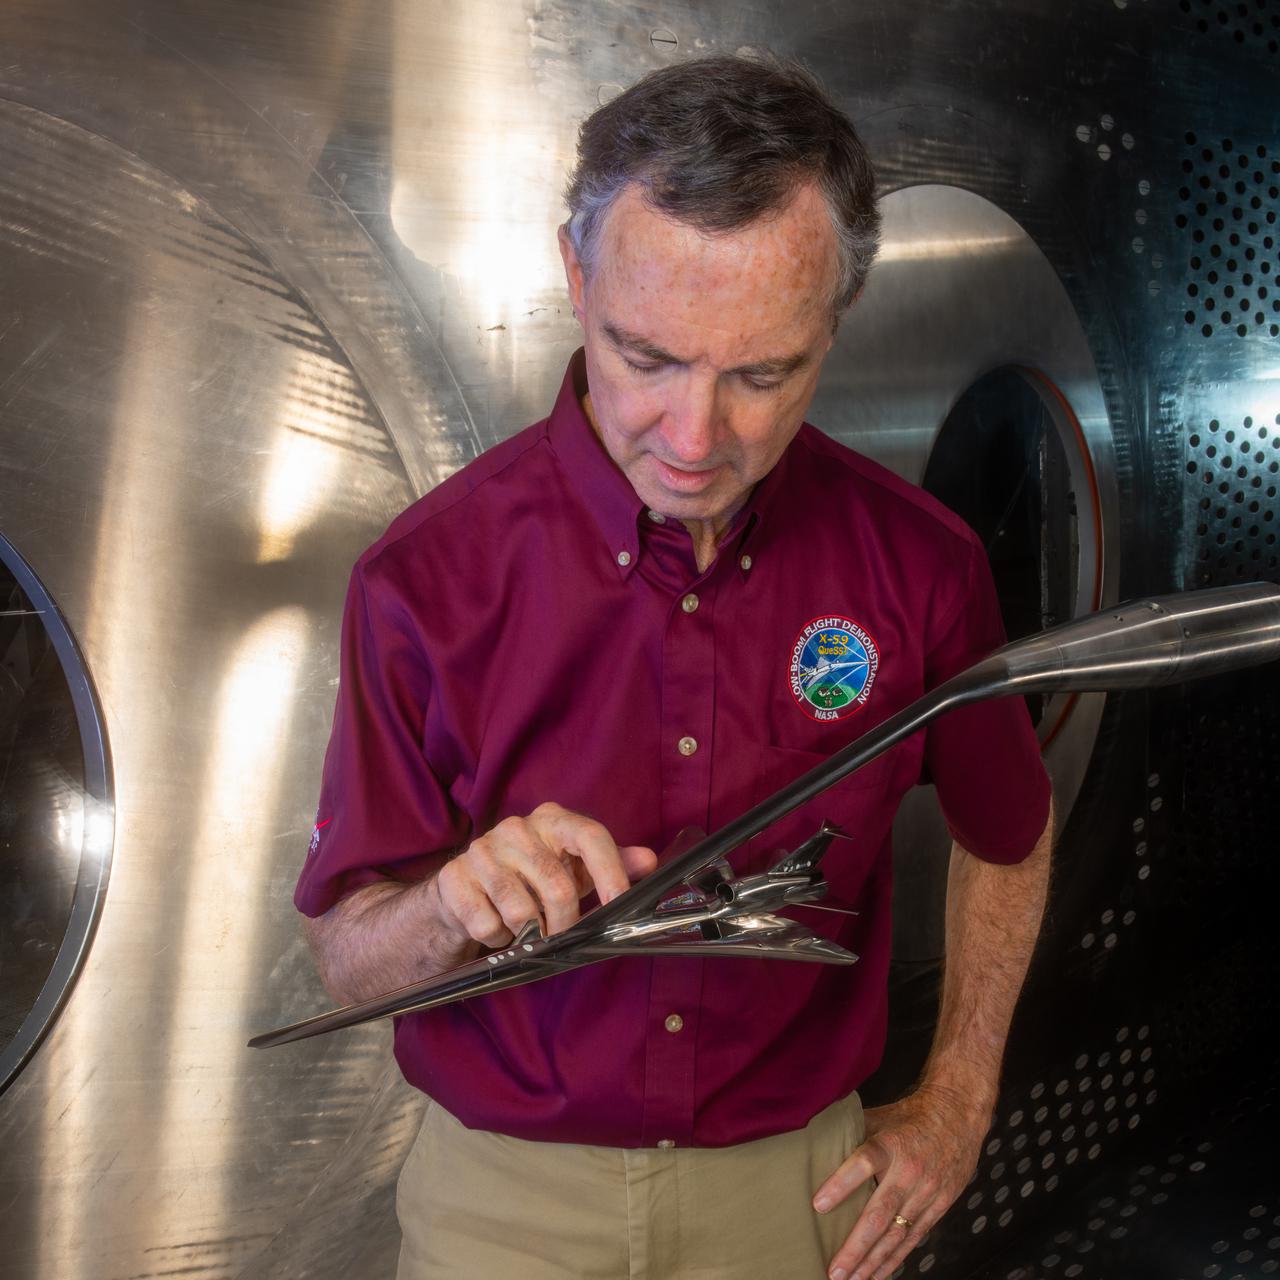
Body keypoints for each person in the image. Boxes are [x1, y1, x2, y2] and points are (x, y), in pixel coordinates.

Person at [296, 53, 1053, 1280]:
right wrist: (446, 907)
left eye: (761, 373)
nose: (696, 440)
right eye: (643, 356)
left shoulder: (922, 566)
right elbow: (344, 953)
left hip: (797, 1195)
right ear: (573, 276)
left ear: (834, 320)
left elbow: (1007, 830)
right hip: (502, 1207)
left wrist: (959, 1095)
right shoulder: (421, 578)